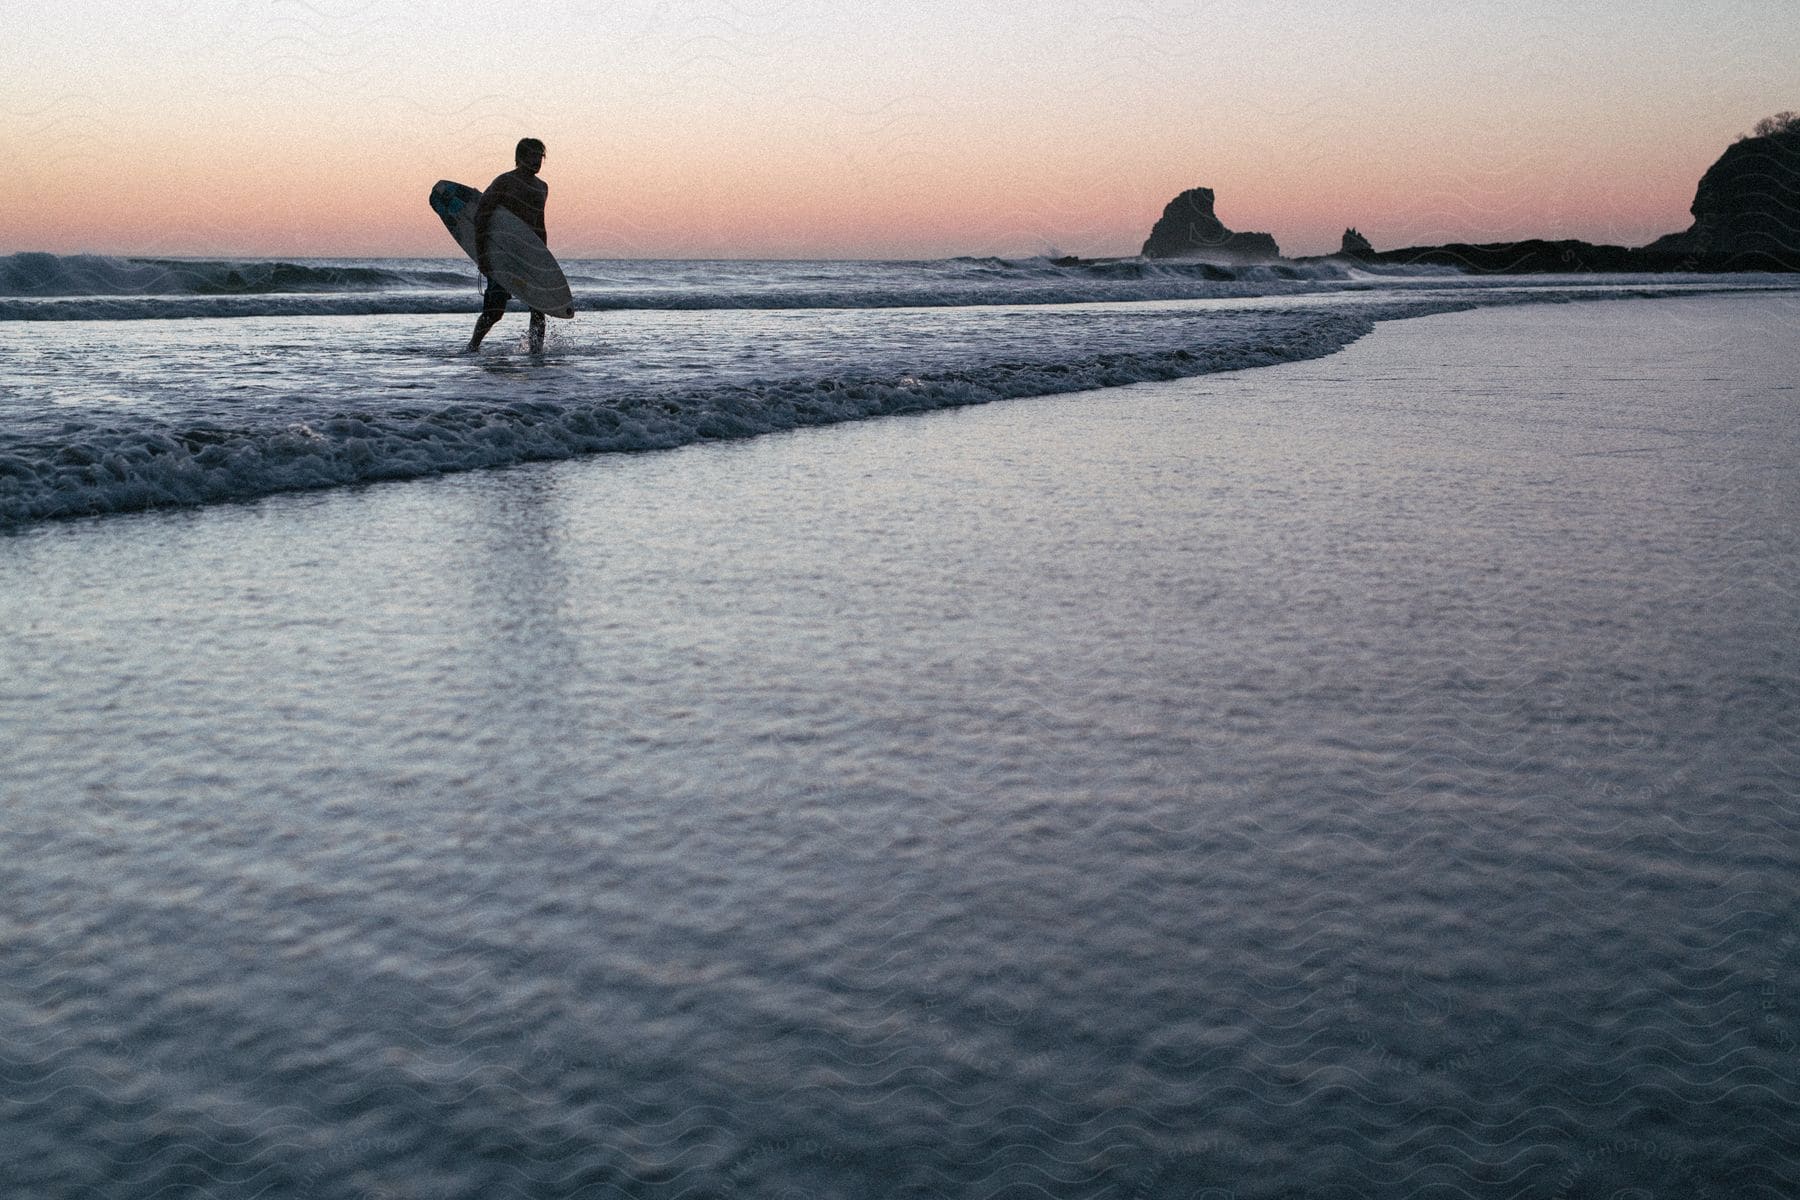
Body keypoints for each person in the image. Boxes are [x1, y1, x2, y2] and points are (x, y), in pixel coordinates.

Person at [467, 138, 550, 352]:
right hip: (502, 254)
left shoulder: (542, 188)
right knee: (495, 311)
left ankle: (536, 353)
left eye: (540, 156)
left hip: (529, 256)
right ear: (520, 157)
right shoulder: (504, 182)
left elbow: (539, 224)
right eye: (533, 155)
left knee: (539, 308)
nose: (537, 160)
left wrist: (544, 258)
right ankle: (472, 346)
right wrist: (483, 256)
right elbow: (482, 216)